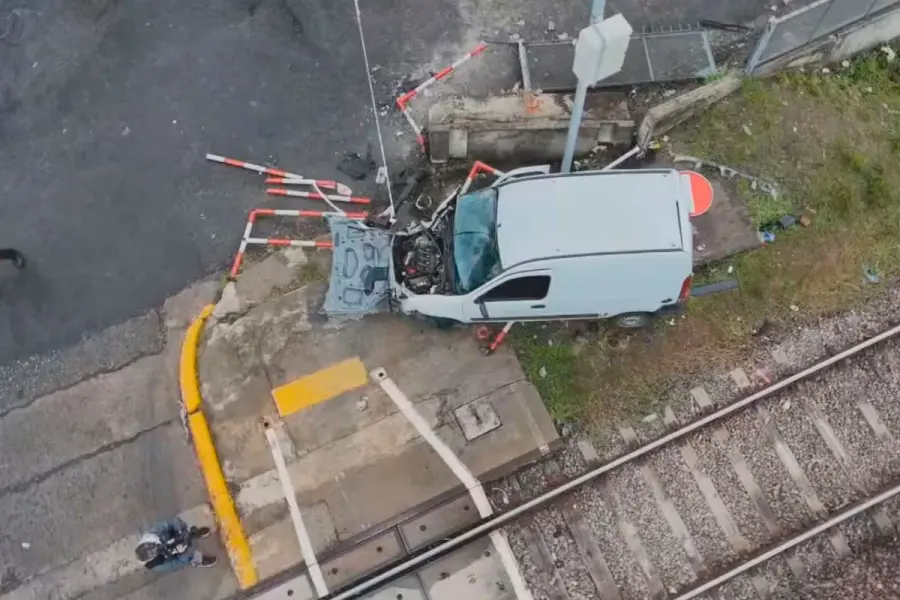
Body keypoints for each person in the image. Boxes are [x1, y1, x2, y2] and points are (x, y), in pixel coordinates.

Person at [134, 517, 217, 572]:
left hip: (175, 534)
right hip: (177, 553)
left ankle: (193, 534)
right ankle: (197, 560)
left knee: (186, 532)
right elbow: (177, 563)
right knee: (190, 556)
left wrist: (180, 532)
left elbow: (173, 521)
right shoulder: (158, 565)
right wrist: (183, 552)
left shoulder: (154, 532)